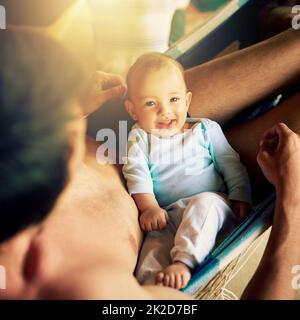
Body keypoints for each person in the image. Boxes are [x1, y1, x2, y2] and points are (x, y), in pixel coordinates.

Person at [0, 27, 300, 299]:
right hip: (170, 209)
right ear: (67, 149)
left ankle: (278, 26)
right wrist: (293, 201)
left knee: (161, 89)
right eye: (64, 120)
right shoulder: (91, 292)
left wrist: (71, 108)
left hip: (117, 137)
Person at [122, 53, 252, 289]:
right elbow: (136, 173)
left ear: (187, 100)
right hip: (167, 215)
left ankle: (184, 262)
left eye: (174, 99)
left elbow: (230, 163)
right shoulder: (140, 137)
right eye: (151, 103)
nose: (165, 111)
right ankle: (149, 291)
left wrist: (240, 196)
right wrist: (149, 208)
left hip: (215, 206)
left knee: (204, 205)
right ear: (133, 110)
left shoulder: (205, 129)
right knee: (152, 254)